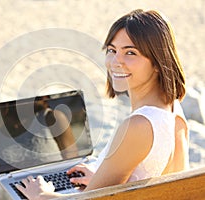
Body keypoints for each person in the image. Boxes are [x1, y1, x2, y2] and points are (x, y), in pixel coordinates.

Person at [16, 9, 189, 199]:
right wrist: (102, 178)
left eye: (130, 53)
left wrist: (40, 195)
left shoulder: (139, 125)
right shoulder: (173, 110)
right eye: (112, 50)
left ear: (158, 62)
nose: (116, 62)